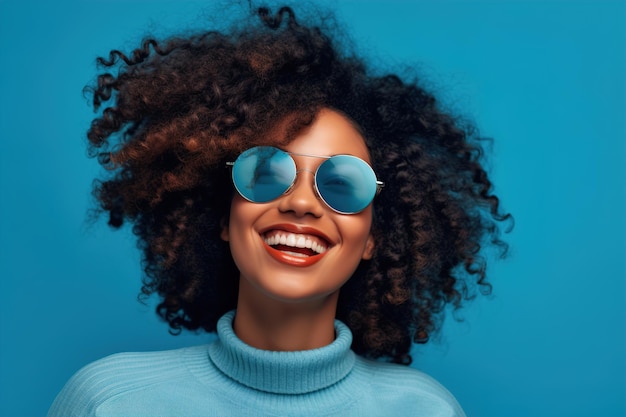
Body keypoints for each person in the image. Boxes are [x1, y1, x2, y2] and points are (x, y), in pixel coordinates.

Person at [48, 4, 511, 416]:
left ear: (375, 236)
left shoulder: (424, 410)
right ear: (224, 213)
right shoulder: (110, 400)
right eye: (266, 173)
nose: (302, 203)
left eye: (344, 184)